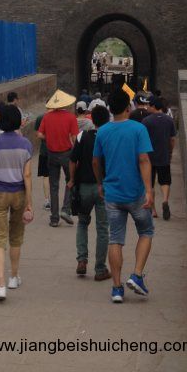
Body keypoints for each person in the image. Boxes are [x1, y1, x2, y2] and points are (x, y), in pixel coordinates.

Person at [93, 88, 154, 304]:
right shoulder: (139, 129)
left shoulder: (102, 131)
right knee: (146, 231)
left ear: (110, 109)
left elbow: (96, 162)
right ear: (129, 107)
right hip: (136, 193)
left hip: (112, 194)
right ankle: (136, 275)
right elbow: (144, 160)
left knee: (115, 239)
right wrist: (149, 190)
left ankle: (117, 288)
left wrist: (100, 183)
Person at [0, 105, 33, 302]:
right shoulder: (26, 144)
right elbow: (27, 175)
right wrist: (29, 202)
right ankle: (13, 276)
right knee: (16, 236)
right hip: (19, 192)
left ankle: (0, 285)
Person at [67, 105, 111, 281]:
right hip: (104, 188)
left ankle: (82, 260)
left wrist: (71, 179)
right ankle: (100, 269)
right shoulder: (109, 137)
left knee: (83, 223)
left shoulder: (82, 136)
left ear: (92, 120)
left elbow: (72, 160)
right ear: (107, 120)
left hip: (83, 186)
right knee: (102, 228)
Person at [37, 89, 78, 227]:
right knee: (71, 180)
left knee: (53, 185)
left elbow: (39, 134)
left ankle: (54, 218)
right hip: (66, 154)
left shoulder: (47, 117)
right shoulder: (71, 117)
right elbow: (74, 138)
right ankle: (66, 209)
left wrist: (49, 138)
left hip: (51, 154)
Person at [143, 99, 176, 221]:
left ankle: (153, 210)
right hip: (164, 155)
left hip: (149, 157)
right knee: (165, 181)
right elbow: (172, 139)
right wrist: (170, 152)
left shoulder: (146, 121)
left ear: (153, 107)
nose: (147, 107)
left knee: (150, 184)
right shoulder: (169, 120)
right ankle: (165, 200)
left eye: (149, 105)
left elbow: (142, 139)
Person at [33, 109, 51, 210]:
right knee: (55, 176)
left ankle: (47, 200)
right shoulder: (60, 116)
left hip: (44, 150)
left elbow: (38, 134)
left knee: (46, 176)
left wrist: (46, 137)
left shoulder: (40, 117)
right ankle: (54, 200)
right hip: (58, 151)